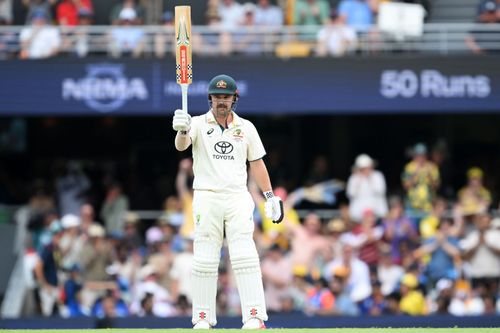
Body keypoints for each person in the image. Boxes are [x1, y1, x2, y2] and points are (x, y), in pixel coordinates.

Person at [172, 74, 284, 329]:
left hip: (237, 196)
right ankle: (202, 318)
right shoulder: (197, 123)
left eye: (226, 97)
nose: (222, 101)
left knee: (245, 255)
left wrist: (270, 196)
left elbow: (257, 163)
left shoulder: (246, 127)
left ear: (235, 98)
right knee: (204, 259)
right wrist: (181, 130)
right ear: (210, 98)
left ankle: (254, 316)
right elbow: (181, 146)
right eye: (217, 97)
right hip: (206, 196)